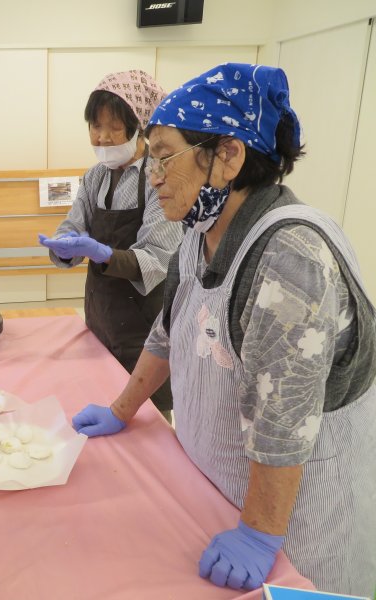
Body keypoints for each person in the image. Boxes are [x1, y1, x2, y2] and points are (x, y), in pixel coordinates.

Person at [72, 63, 376, 595]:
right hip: (219, 493)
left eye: (164, 156)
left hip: (293, 522)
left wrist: (258, 534)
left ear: (228, 156)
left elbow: (284, 417)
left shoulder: (290, 257)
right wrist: (122, 409)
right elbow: (169, 330)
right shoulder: (199, 232)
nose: (153, 175)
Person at [39, 70, 183, 416]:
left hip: (144, 328)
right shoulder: (94, 176)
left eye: (114, 127)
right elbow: (74, 223)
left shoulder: (159, 178)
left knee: (149, 422)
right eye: (95, 126)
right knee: (99, 405)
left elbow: (157, 258)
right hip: (100, 319)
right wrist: (64, 246)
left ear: (139, 127)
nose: (102, 137)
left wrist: (104, 254)